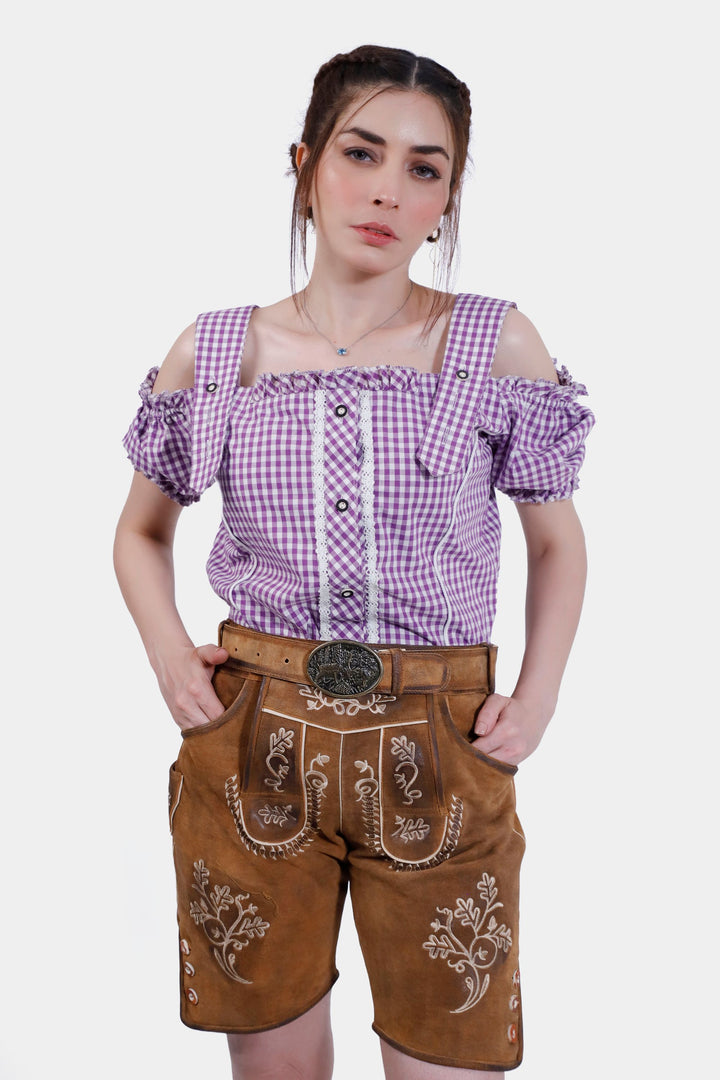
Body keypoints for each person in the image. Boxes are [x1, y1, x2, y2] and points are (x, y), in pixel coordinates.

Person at [114, 44, 594, 1080]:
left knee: (448, 1056)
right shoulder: (221, 352)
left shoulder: (494, 344)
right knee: (274, 1061)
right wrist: (167, 656)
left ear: (449, 195)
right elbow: (140, 530)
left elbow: (555, 539)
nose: (386, 189)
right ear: (306, 163)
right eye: (360, 152)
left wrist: (540, 696)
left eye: (424, 168)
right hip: (252, 743)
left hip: (443, 742)